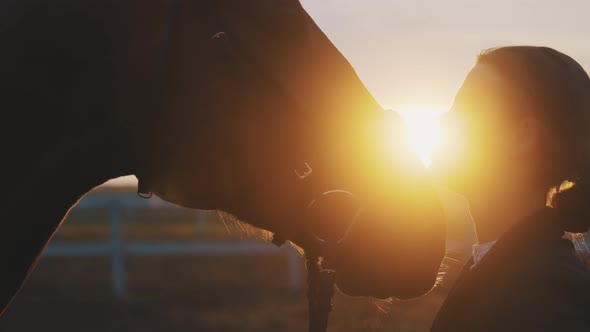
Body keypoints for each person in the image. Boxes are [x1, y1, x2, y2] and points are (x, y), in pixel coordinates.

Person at [429, 46, 590, 331]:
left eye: (465, 108)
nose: (441, 120)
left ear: (522, 138)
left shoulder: (551, 298)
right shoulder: (504, 266)